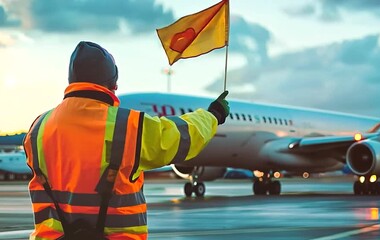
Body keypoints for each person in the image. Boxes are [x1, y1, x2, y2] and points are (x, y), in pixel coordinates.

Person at [23, 41, 229, 240]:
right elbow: (182, 136)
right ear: (112, 83)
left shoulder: (38, 128)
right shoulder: (127, 125)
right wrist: (213, 115)